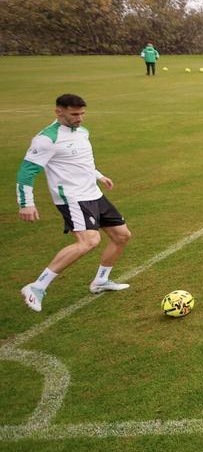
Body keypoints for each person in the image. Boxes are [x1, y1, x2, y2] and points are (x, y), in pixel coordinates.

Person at [16, 94, 132, 312]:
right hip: (72, 198)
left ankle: (100, 281)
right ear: (58, 112)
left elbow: (82, 160)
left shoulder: (82, 132)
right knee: (89, 241)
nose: (80, 118)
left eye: (82, 114)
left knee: (122, 235)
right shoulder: (46, 139)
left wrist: (99, 175)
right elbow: (26, 172)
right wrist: (26, 203)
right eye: (74, 114)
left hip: (93, 193)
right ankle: (37, 286)